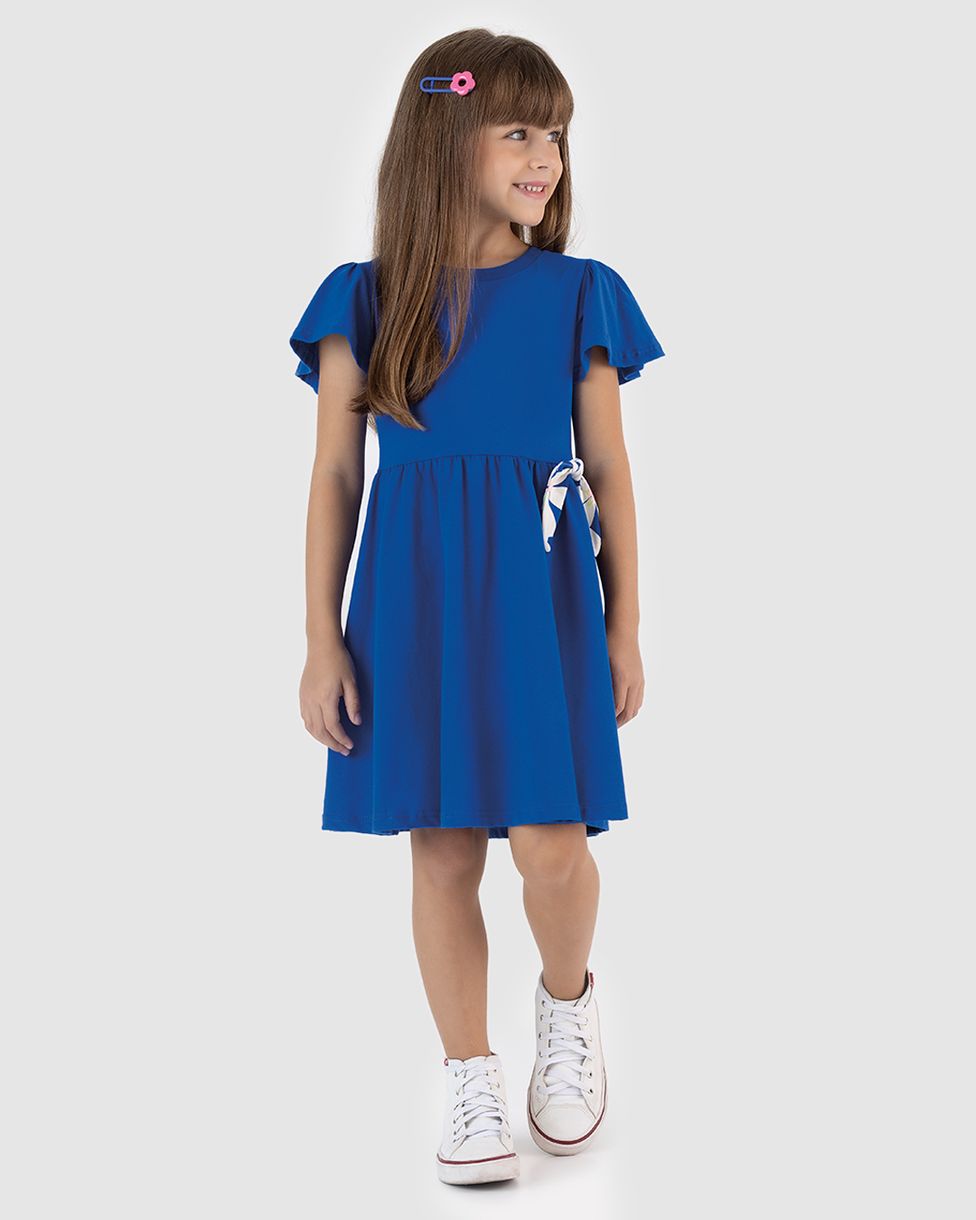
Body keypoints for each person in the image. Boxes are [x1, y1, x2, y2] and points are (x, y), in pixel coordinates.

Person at [289, 28, 665, 1187]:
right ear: (444, 140)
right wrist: (319, 637)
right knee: (443, 847)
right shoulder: (366, 299)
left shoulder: (577, 294)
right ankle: (467, 1071)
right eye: (517, 131)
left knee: (552, 845)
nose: (545, 155)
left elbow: (610, 472)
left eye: (554, 134)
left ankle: (567, 1002)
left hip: (538, 598)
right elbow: (336, 477)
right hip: (413, 601)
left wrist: (622, 624)